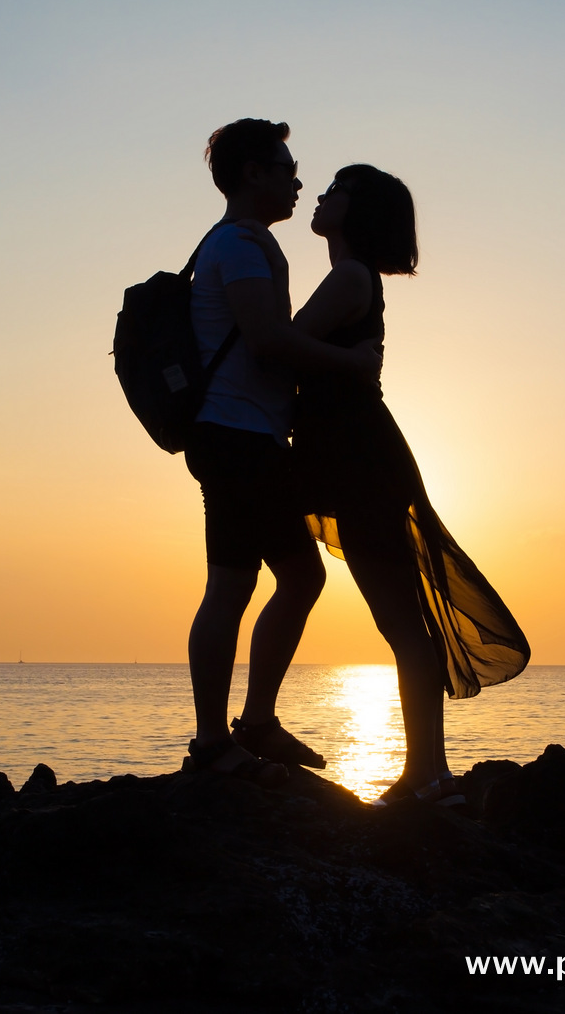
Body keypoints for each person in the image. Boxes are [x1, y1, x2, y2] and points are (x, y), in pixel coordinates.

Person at [241, 164, 530, 805]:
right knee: (396, 620)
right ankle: (428, 771)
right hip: (345, 455)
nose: (320, 195)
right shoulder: (349, 276)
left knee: (401, 623)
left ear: (360, 210)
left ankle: (427, 774)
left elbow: (277, 346)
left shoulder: (349, 277)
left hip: (357, 459)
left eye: (336, 189)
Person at [181, 120, 381, 786]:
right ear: (252, 175)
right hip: (233, 436)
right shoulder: (238, 246)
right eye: (286, 168)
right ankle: (219, 738)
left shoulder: (247, 244)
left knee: (294, 577)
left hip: (247, 435)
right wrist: (350, 362)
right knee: (236, 585)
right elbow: (268, 341)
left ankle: (252, 723)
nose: (298, 181)